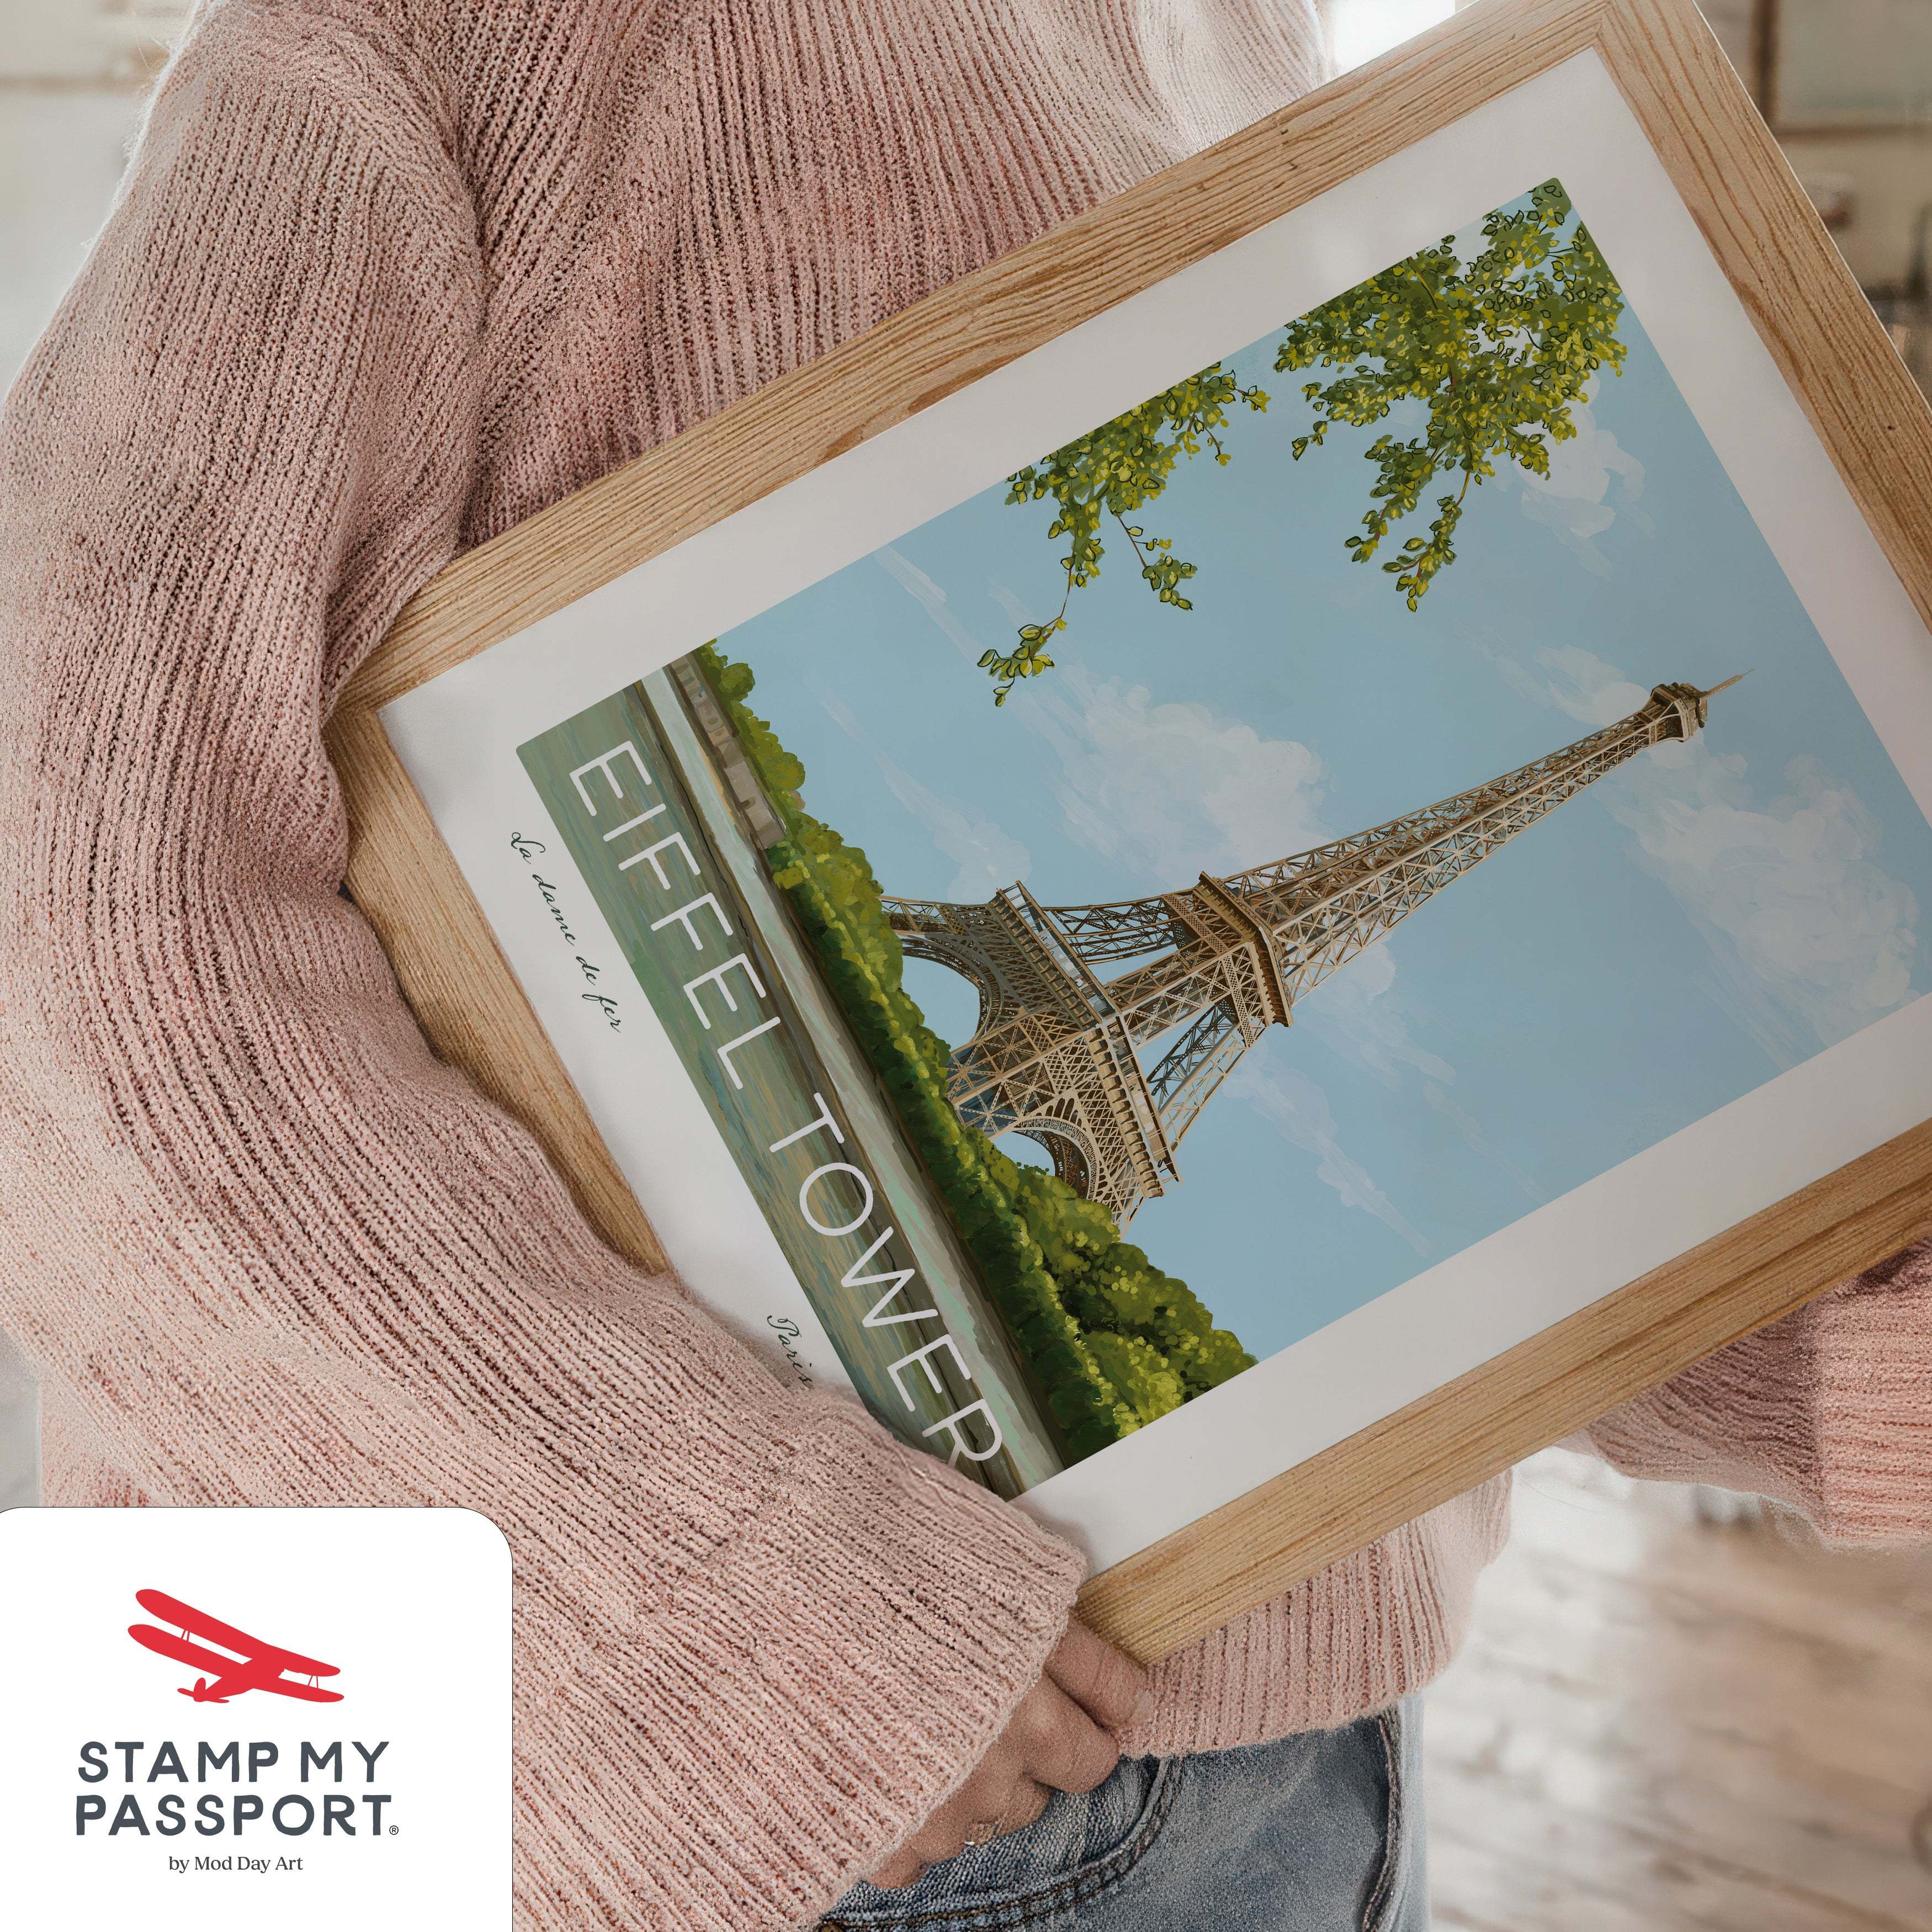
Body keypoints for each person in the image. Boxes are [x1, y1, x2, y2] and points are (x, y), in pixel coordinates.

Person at [2, 2, 1926, 1926]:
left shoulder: (1234, 33)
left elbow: (1444, 1256)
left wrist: (1853, 1285)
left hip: (1303, 1737)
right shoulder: (456, 46)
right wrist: (776, 1612)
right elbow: (78, 915)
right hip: (755, 1777)